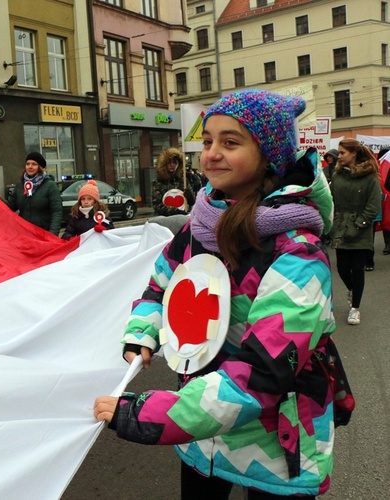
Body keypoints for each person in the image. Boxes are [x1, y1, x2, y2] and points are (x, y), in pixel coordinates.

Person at [94, 89, 336, 498]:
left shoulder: (298, 254)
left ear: (268, 156)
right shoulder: (199, 225)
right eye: (207, 141)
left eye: (230, 142)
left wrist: (150, 414)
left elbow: (262, 372)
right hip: (200, 435)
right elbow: (160, 287)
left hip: (276, 444)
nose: (211, 154)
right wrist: (142, 333)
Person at [329, 139, 382, 325]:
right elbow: (332, 202)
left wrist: (360, 224)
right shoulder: (337, 176)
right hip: (341, 226)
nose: (339, 156)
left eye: (343, 152)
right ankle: (352, 289)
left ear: (354, 154)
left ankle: (355, 308)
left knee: (358, 268)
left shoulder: (370, 177)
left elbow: (374, 205)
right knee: (342, 268)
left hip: (361, 229)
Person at [5, 151, 62, 235]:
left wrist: (53, 234)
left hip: (43, 234)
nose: (30, 167)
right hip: (24, 234)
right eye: (28, 164)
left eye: (34, 164)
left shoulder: (50, 186)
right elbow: (11, 206)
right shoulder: (20, 185)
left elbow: (57, 212)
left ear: (40, 167)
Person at [151, 147, 196, 216]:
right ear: (164, 164)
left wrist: (189, 195)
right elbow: (157, 205)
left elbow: (192, 202)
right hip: (164, 220)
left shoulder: (182, 181)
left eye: (174, 162)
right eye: (169, 163)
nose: (172, 165)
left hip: (181, 218)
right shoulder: (158, 182)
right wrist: (175, 211)